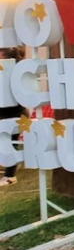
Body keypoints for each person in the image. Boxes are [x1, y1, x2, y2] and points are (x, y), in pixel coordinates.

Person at [0, 48, 24, 187]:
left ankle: (10, 175)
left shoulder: (15, 72)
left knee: (10, 143)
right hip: (6, 113)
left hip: (12, 114)